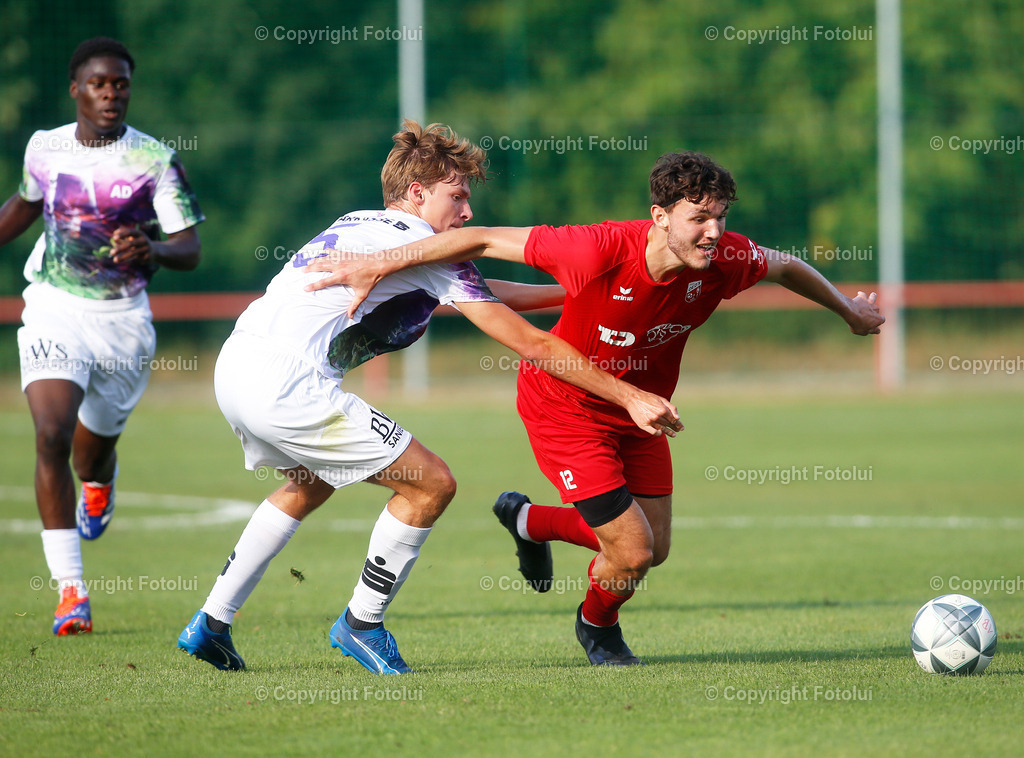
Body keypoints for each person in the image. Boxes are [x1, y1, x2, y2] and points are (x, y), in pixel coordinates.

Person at [304, 150, 885, 666]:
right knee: (632, 552)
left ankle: (528, 521)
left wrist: (848, 310)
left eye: (721, 217)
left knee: (654, 551)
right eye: (699, 218)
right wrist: (384, 262)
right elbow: (477, 240)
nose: (714, 232)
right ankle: (597, 628)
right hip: (564, 406)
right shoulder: (596, 247)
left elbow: (785, 265)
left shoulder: (726, 258)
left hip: (640, 413)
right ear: (660, 216)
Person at [176, 121, 680, 674]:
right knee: (431, 483)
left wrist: (578, 292)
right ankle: (362, 623)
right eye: (456, 196)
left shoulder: (358, 224)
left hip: (237, 367)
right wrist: (629, 395)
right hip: (288, 387)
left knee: (310, 483)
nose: (467, 212)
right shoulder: (425, 250)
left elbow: (482, 293)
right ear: (417, 193)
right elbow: (533, 344)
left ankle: (212, 622)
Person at [0, 37, 203, 635]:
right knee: (50, 435)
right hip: (54, 308)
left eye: (120, 84)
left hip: (122, 325)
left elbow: (190, 248)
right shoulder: (45, 147)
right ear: (76, 89)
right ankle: (71, 591)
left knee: (89, 454)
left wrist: (154, 249)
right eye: (99, 84)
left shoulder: (155, 160)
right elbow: (26, 204)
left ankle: (100, 479)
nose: (111, 94)